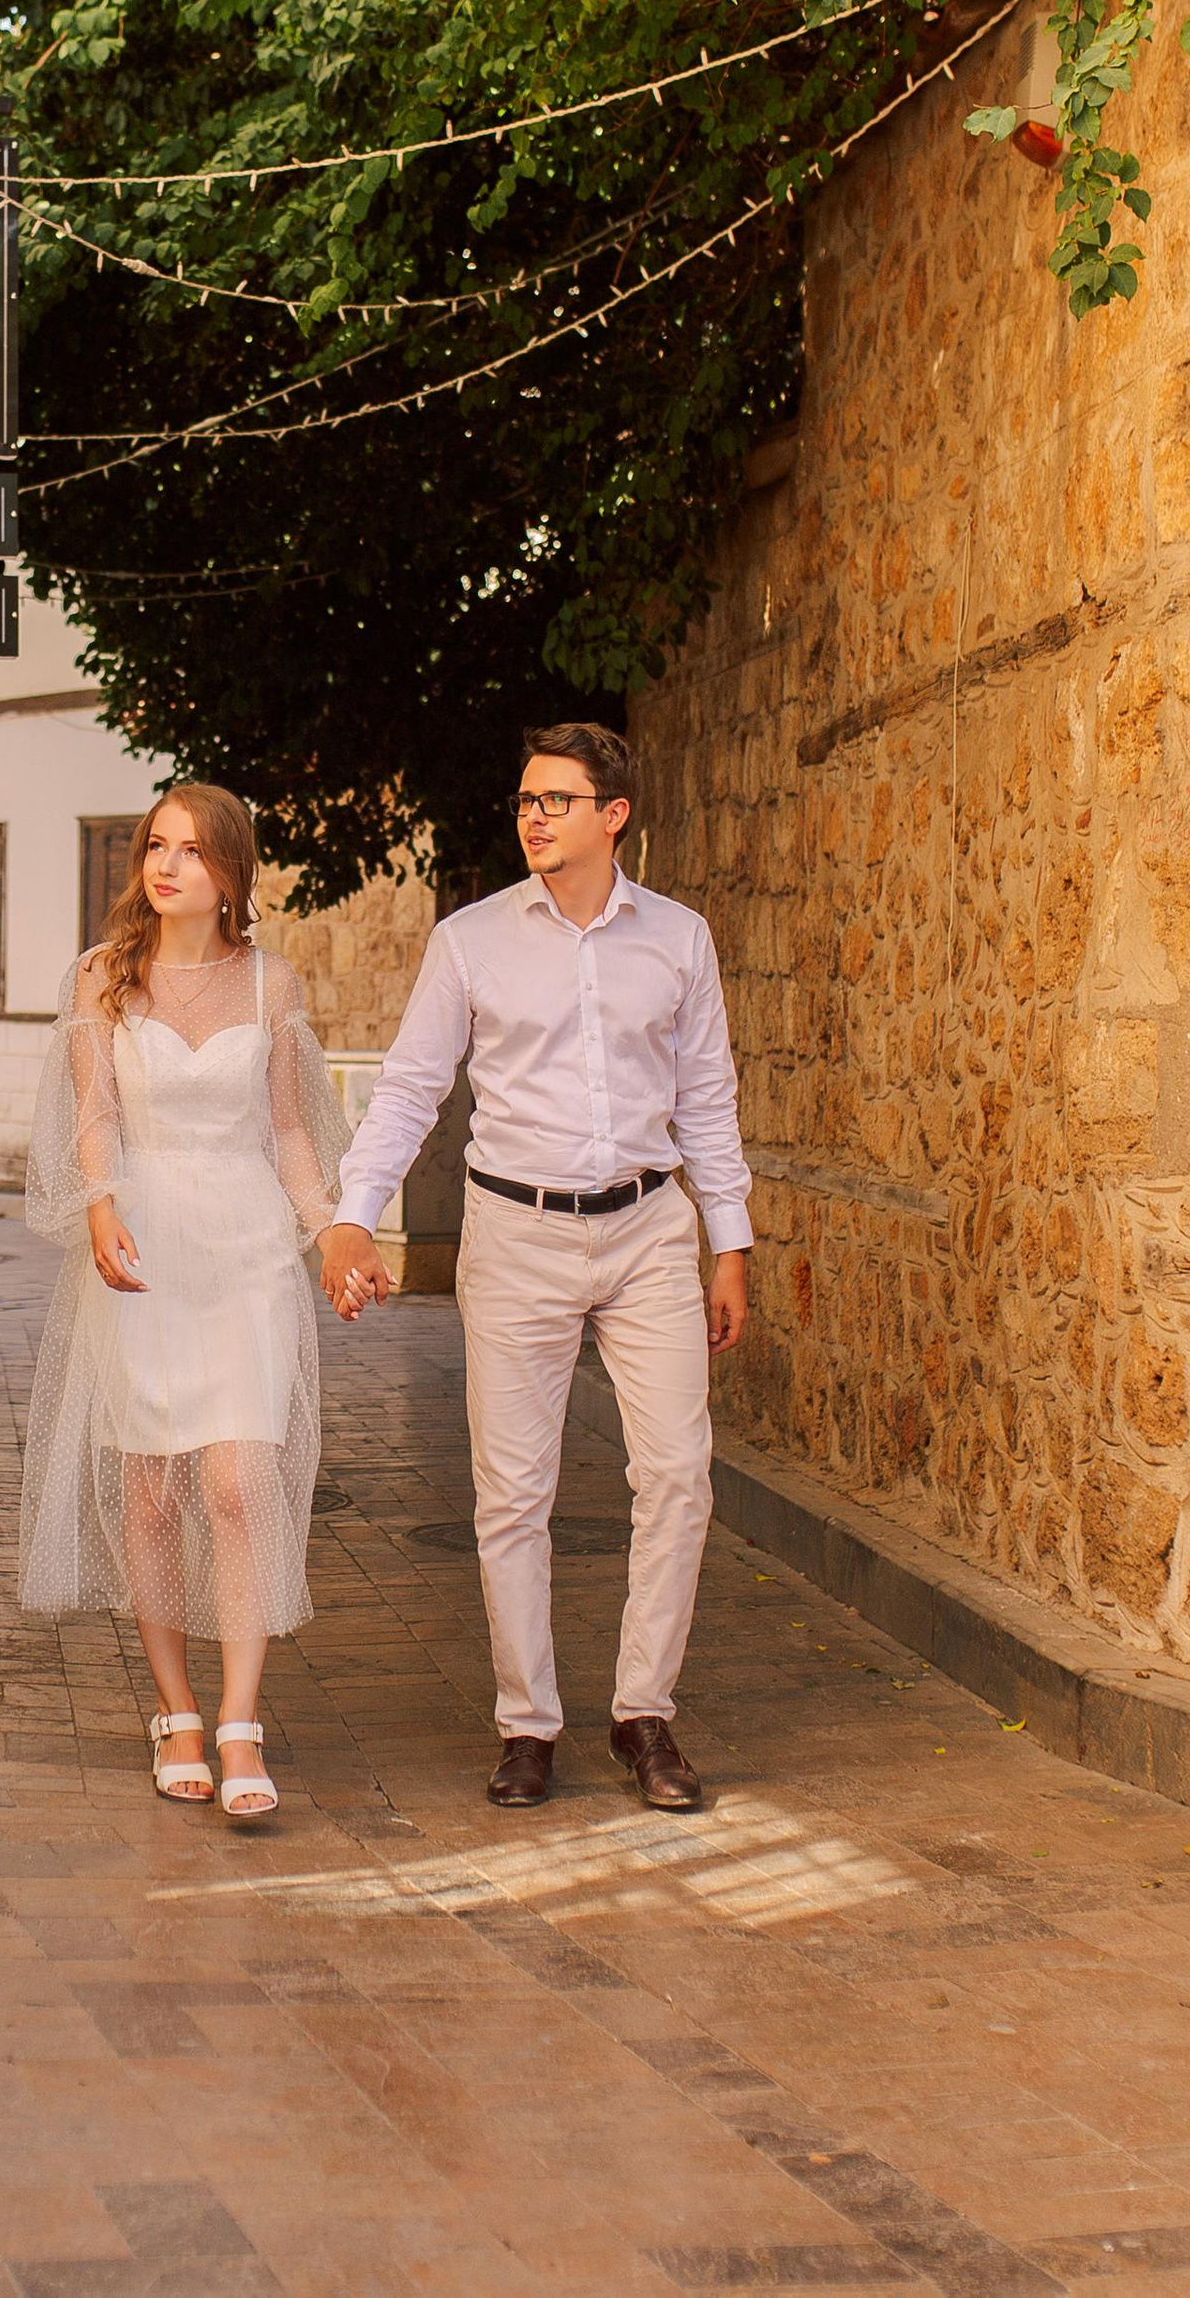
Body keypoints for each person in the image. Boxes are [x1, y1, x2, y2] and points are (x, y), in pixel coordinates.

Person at [316, 725, 751, 1812]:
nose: (532, 815)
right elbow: (412, 1086)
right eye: (523, 799)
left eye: (556, 799)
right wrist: (351, 1215)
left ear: (615, 815)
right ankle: (527, 1725)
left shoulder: (680, 940)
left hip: (650, 1229)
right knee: (512, 1494)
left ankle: (644, 1714)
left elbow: (705, 1098)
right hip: (513, 1233)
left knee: (680, 1476)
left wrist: (729, 1240)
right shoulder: (470, 941)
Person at [21, 785, 349, 1819]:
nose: (167, 866)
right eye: (155, 847)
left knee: (239, 1484)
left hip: (247, 1246)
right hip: (145, 1247)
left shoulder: (270, 983)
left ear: (230, 873)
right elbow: (91, 1120)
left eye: (192, 851)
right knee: (154, 1491)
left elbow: (290, 1131)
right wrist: (99, 1206)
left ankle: (243, 1718)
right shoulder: (101, 977)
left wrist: (331, 1227)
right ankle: (176, 1710)